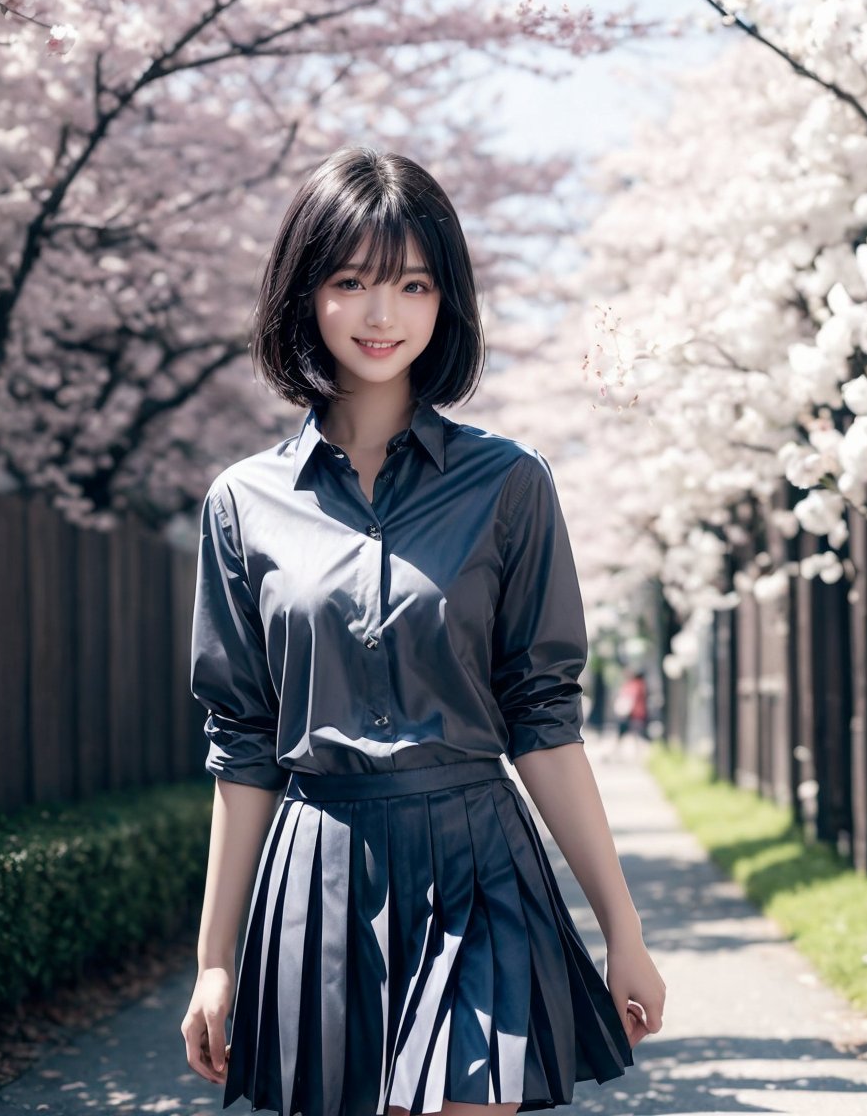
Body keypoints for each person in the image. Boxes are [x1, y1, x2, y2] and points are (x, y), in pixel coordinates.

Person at [179, 146, 666, 1116]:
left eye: (412, 284)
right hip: (320, 871)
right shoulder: (244, 504)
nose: (380, 315)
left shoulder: (509, 485)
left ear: (446, 304)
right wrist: (214, 961)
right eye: (350, 282)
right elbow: (242, 745)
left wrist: (622, 925)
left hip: (477, 860)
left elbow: (543, 717)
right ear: (302, 296)